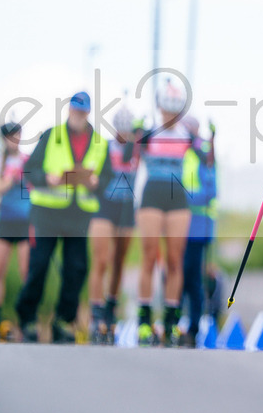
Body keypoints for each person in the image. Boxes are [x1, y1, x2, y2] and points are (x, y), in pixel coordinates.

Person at [16, 91, 111, 343]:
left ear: (88, 113)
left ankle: (63, 320)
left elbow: (107, 178)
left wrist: (94, 182)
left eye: (82, 111)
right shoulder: (51, 134)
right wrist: (48, 178)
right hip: (47, 210)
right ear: (68, 110)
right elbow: (30, 169)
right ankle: (27, 319)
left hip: (78, 212)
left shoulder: (100, 142)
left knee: (76, 268)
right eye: (74, 110)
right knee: (39, 265)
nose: (77, 115)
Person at [135, 77, 194, 346]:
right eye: (166, 109)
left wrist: (209, 139)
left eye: (175, 110)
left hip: (177, 196)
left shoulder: (186, 135)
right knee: (148, 256)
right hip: (152, 194)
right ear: (160, 108)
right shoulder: (148, 133)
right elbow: (128, 158)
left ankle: (171, 320)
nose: (169, 115)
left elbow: (208, 159)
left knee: (174, 259)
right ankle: (144, 320)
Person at [87, 105, 140, 344]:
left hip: (126, 207)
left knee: (119, 261)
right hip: (104, 205)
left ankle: (110, 308)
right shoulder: (104, 147)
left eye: (127, 131)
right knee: (101, 259)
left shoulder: (136, 149)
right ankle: (95, 313)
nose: (123, 134)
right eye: (120, 130)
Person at [0, 122, 31, 340]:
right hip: (5, 221)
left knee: (25, 272)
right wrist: (10, 179)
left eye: (18, 135)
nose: (15, 139)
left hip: (24, 222)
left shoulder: (27, 160)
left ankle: (25, 319)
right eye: (11, 136)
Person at [180, 115, 217, 348]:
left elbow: (209, 191)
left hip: (197, 226)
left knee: (192, 277)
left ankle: (192, 328)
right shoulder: (182, 152)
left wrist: (180, 199)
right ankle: (175, 322)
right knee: (176, 274)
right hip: (179, 225)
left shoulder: (204, 153)